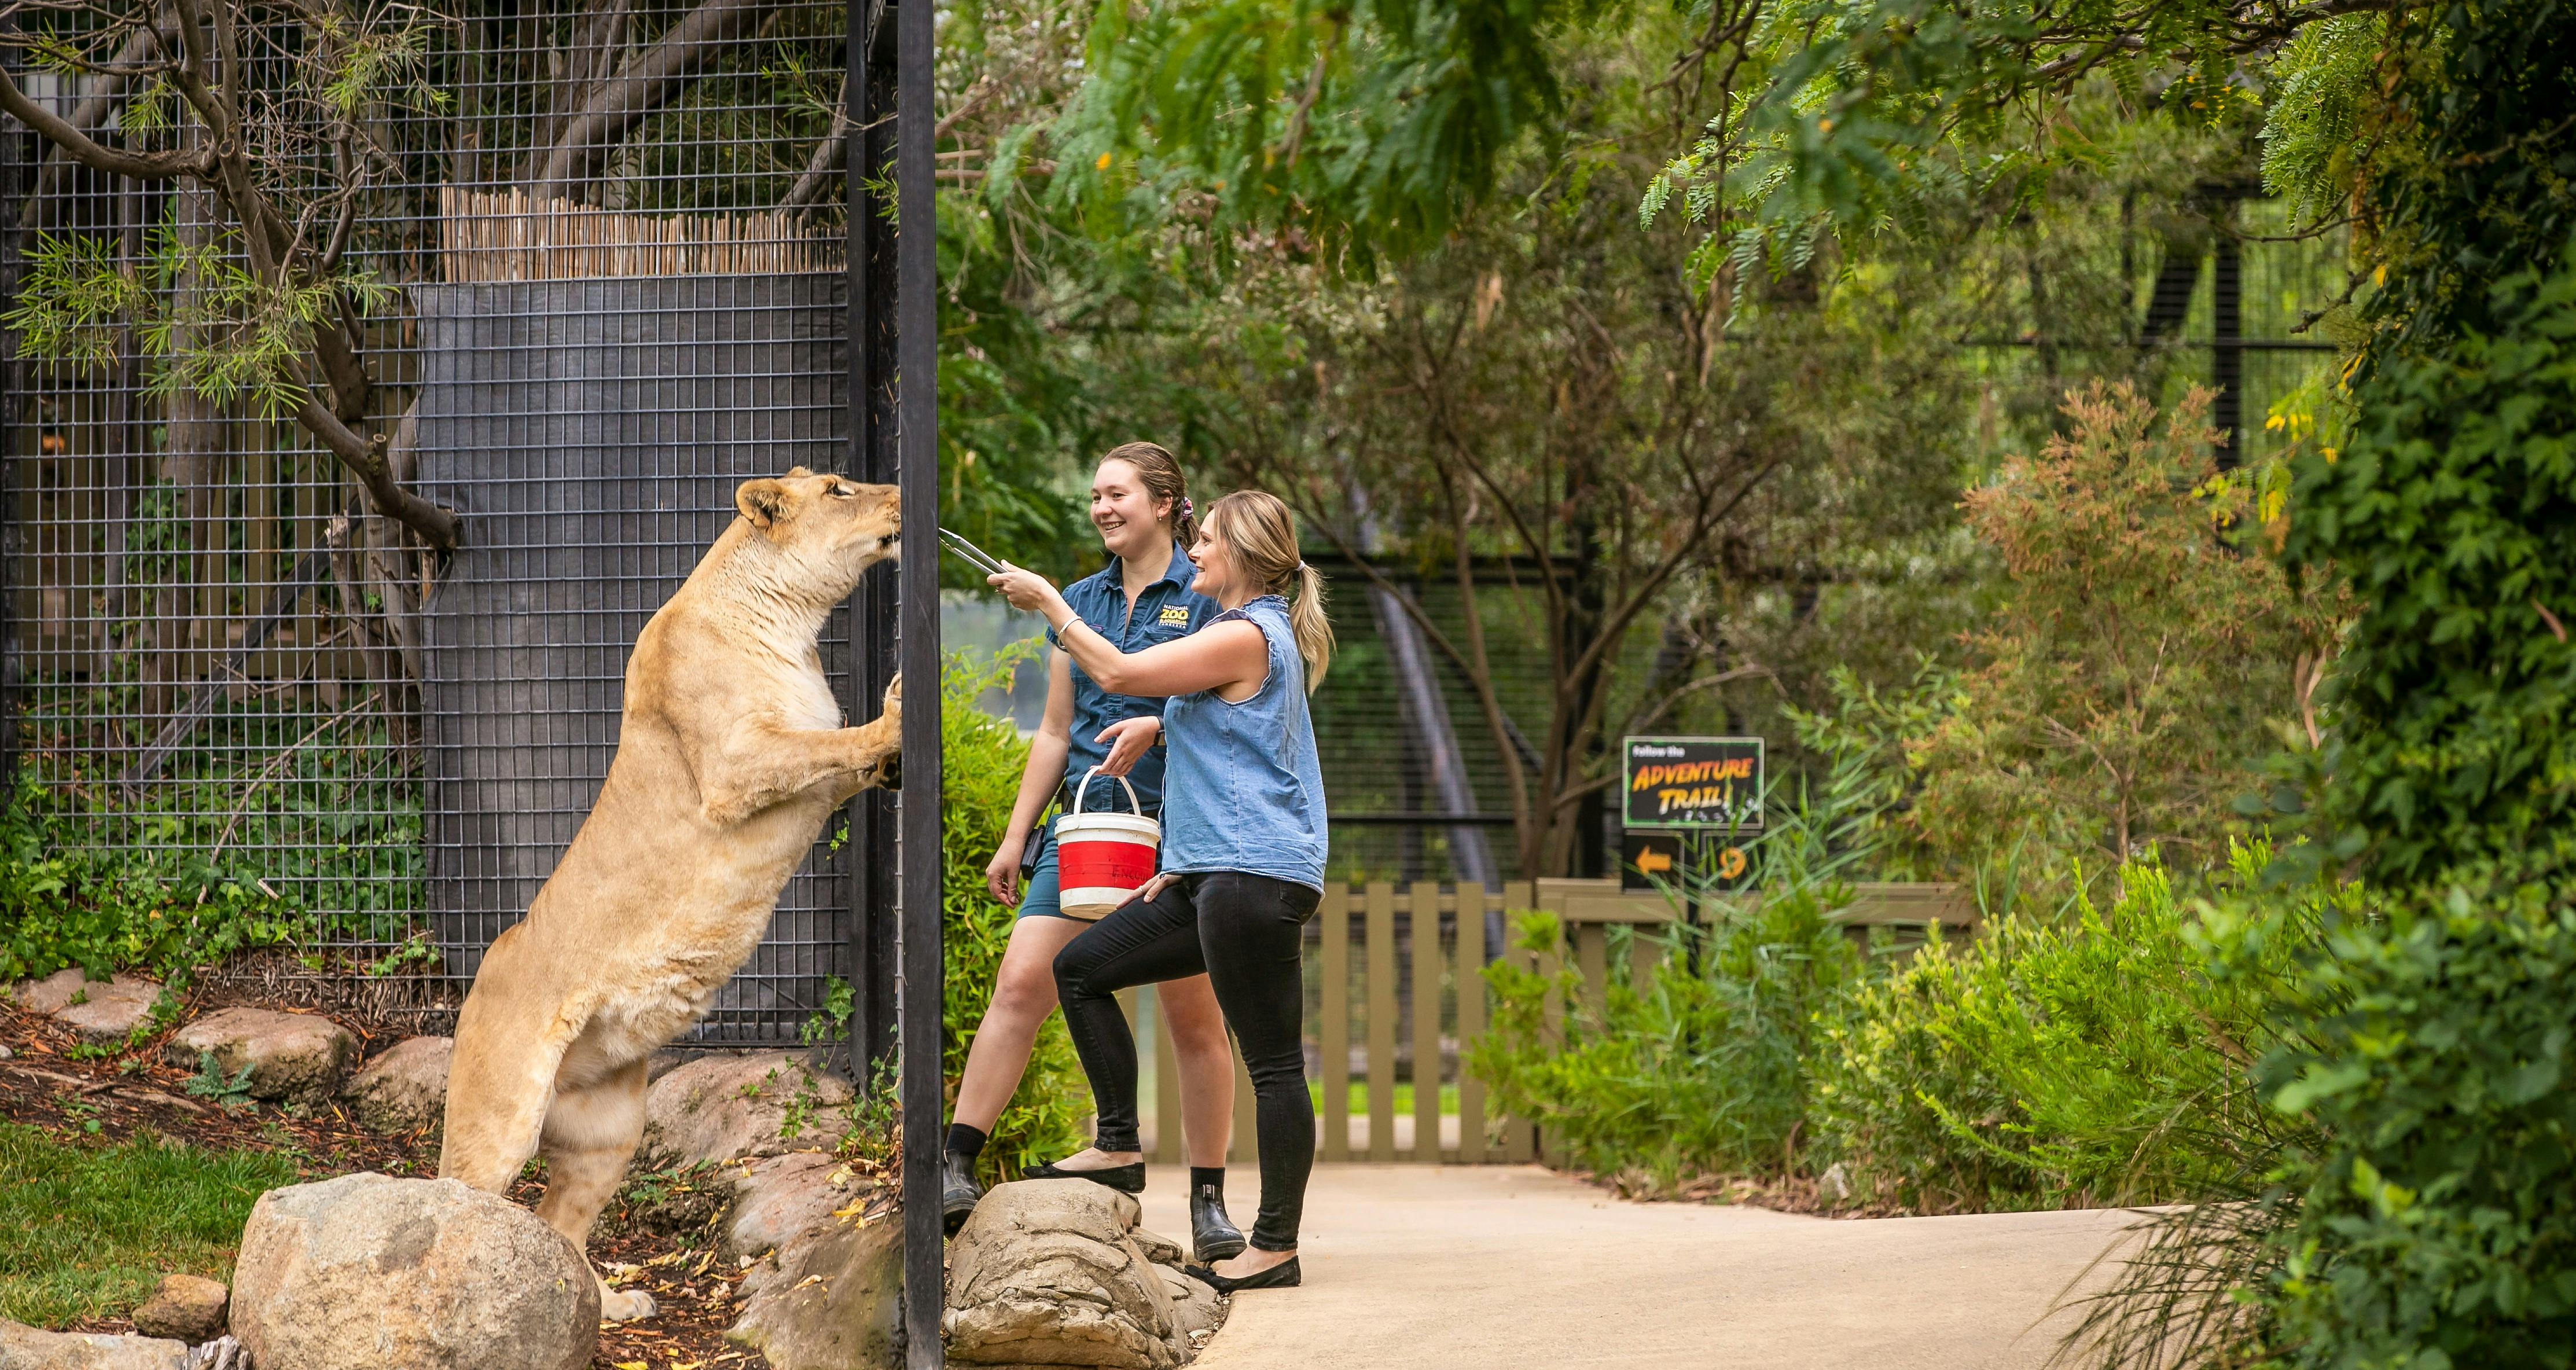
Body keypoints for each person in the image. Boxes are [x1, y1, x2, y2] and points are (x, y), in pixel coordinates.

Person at [987, 490, 1332, 1295]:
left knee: (1274, 1064)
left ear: (1242, 555)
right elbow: (1232, 725)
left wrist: (1048, 603)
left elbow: (1118, 670)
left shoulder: (1248, 632)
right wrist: (1163, 726)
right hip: (1209, 874)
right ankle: (1118, 1143)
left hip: (1253, 876)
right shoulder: (1234, 638)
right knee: (1081, 970)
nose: (1194, 551)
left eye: (1204, 540)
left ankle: (1273, 1247)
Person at [943, 443, 1247, 1266]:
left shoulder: (1212, 590)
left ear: (1163, 503)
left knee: (1193, 1019)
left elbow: (1223, 709)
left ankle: (1210, 1204)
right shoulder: (1081, 600)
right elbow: (1052, 729)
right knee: (1020, 986)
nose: (1101, 508)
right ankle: (955, 1164)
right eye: (1094, 497)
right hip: (1082, 828)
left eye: (1117, 495)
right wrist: (1016, 836)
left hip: (1174, 832)